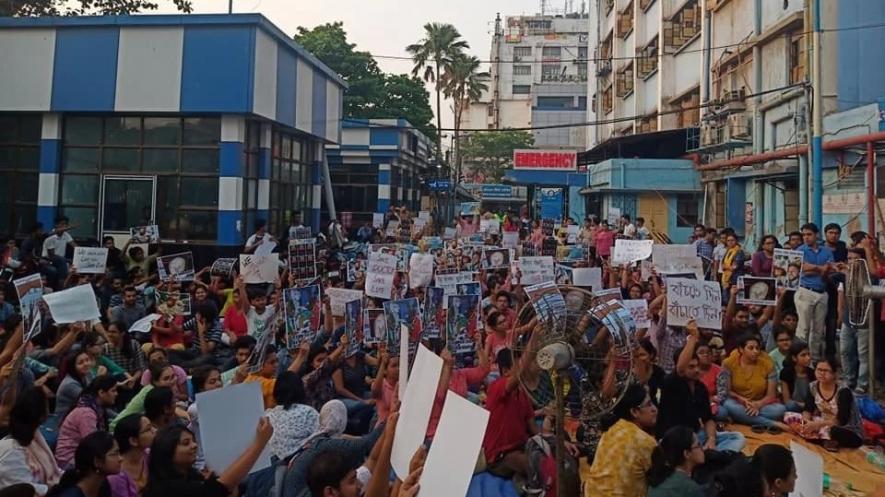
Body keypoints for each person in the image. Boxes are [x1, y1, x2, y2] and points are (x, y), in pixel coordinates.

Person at [657, 321, 745, 452]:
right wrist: (693, 337)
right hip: (673, 438)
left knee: (737, 437)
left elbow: (708, 419)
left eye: (697, 365)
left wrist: (711, 439)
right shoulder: (670, 382)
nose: (697, 370)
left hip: (695, 435)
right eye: (691, 367)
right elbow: (680, 369)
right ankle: (707, 457)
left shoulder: (700, 388)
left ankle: (707, 455)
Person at [280, 400, 386, 497]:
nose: (360, 485)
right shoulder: (324, 445)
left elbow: (373, 460)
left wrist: (391, 420)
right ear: (330, 492)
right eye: (352, 481)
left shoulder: (316, 441)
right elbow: (367, 444)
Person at [144, 419, 273, 497]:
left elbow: (224, 490)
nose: (194, 445)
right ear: (167, 452)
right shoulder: (167, 488)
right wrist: (259, 443)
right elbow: (220, 487)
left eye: (193, 441)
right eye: (186, 443)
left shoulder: (191, 476)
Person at [581, 384, 658, 497]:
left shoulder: (612, 429)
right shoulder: (643, 441)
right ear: (634, 412)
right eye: (649, 404)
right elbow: (663, 477)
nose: (654, 409)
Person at [481, 348, 537, 479]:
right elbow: (518, 376)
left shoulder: (522, 394)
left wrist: (553, 442)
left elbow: (534, 428)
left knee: (558, 449)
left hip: (522, 445)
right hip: (500, 456)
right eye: (518, 366)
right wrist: (533, 339)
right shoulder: (496, 387)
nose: (524, 370)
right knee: (532, 463)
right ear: (506, 371)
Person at [785, 357, 864, 449]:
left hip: (844, 428)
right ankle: (821, 439)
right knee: (789, 416)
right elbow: (808, 409)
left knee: (834, 431)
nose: (822, 373)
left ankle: (821, 439)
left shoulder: (843, 391)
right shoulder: (813, 386)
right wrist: (806, 422)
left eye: (826, 371)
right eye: (819, 370)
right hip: (822, 421)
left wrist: (817, 425)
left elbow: (841, 420)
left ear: (834, 374)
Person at [0, 388, 62, 495]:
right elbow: (24, 489)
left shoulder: (35, 437)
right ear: (40, 414)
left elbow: (53, 468)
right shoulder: (11, 450)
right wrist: (56, 488)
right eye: (46, 405)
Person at [719, 334, 788, 429]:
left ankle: (742, 418)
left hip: (760, 404)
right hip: (738, 402)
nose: (755, 351)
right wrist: (742, 400)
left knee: (780, 410)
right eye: (751, 348)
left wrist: (758, 404)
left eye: (757, 348)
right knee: (728, 405)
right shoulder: (728, 363)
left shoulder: (768, 365)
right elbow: (727, 391)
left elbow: (771, 395)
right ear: (741, 349)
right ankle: (771, 423)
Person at [55, 376, 119, 469]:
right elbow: (93, 445)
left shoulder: (97, 409)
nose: (116, 394)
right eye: (113, 391)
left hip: (80, 455)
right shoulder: (86, 413)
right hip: (68, 460)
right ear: (101, 393)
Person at [795, 223, 834, 361]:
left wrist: (821, 270)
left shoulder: (826, 251)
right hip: (806, 290)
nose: (806, 237)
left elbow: (829, 269)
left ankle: (814, 359)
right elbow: (802, 268)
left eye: (809, 234)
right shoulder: (800, 250)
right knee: (803, 328)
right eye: (804, 235)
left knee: (818, 330)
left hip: (822, 291)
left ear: (816, 235)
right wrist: (819, 268)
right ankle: (800, 358)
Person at [45, 431, 121, 497]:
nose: (121, 458)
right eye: (115, 454)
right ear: (97, 462)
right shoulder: (71, 494)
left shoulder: (103, 486)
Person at [265, 371, 320, 461]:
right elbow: (322, 438)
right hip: (298, 463)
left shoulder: (267, 415)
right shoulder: (308, 412)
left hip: (271, 466)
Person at [111, 363, 177, 431]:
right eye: (166, 379)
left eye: (173, 376)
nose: (172, 381)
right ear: (155, 382)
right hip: (120, 429)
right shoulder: (152, 393)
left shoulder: (166, 390)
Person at [646, 426, 706, 497]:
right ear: (686, 453)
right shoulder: (689, 488)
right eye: (698, 444)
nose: (703, 448)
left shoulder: (659, 479)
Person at [108, 415, 154, 497]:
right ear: (133, 441)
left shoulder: (149, 456)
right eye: (148, 429)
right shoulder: (116, 474)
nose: (154, 431)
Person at [56, 351, 96, 420]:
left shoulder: (87, 374)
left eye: (87, 360)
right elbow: (92, 401)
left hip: (82, 414)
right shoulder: (70, 384)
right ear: (73, 367)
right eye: (81, 363)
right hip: (66, 420)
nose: (86, 364)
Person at [779, 341, 812, 412]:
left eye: (808, 354)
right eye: (803, 355)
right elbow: (786, 400)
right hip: (795, 406)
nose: (808, 358)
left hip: (809, 406)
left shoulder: (812, 373)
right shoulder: (786, 373)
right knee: (790, 405)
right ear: (794, 358)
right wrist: (803, 405)